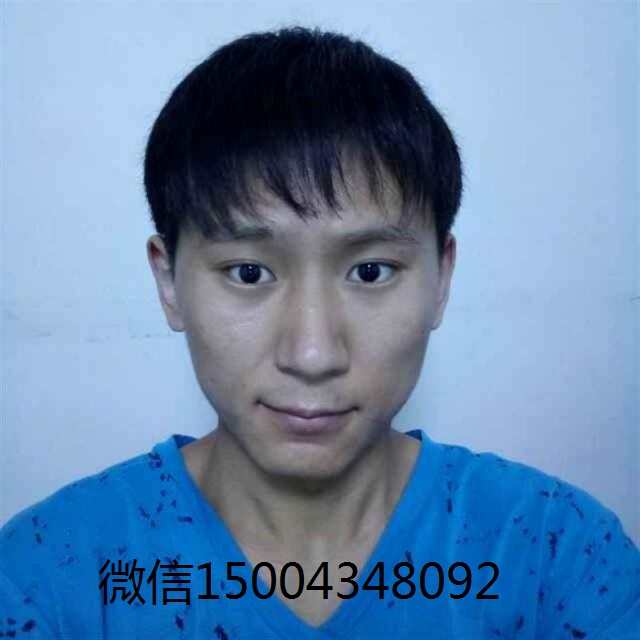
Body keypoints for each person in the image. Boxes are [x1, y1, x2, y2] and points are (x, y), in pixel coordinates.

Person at [1, 26, 638, 640]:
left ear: (442, 279)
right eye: (249, 272)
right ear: (169, 282)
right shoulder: (46, 576)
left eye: (370, 271)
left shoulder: (559, 559)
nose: (312, 354)